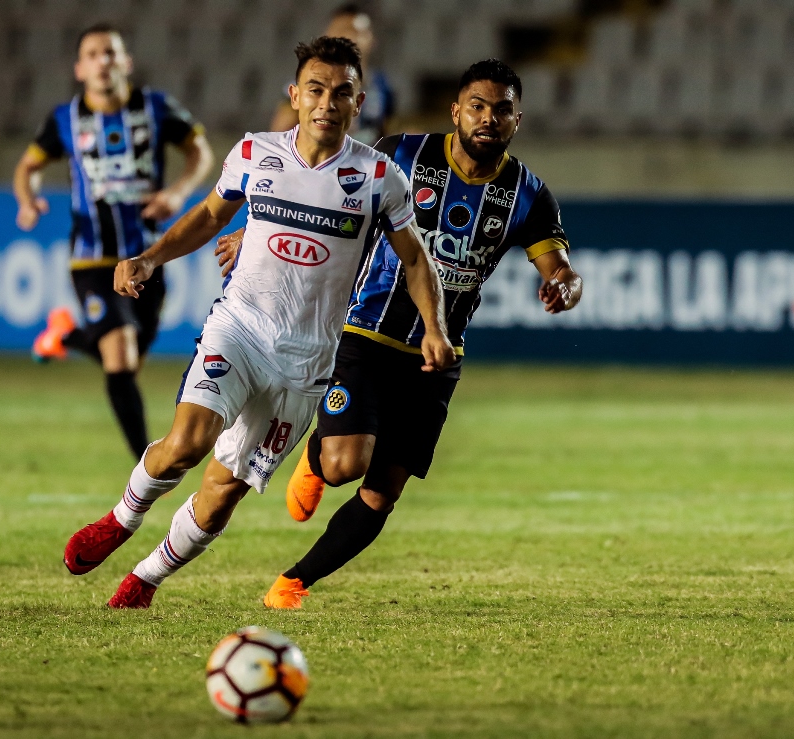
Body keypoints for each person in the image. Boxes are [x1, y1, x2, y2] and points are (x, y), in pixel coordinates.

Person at [62, 36, 456, 609]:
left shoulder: (377, 178)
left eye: (341, 93)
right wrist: (151, 257)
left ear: (358, 102)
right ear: (295, 96)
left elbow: (414, 256)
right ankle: (122, 519)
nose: (327, 103)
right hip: (239, 329)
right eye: (315, 90)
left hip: (307, 363)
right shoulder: (253, 154)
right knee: (186, 445)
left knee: (221, 495)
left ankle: (145, 577)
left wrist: (435, 328)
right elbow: (208, 216)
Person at [221, 59, 584, 609]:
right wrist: (253, 225)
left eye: (502, 110)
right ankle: (318, 454)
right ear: (456, 110)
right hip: (364, 333)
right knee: (346, 466)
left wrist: (566, 284)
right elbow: (317, 190)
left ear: (517, 120)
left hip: (438, 355)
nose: (489, 118)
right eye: (478, 107)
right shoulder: (399, 154)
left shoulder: (529, 195)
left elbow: (558, 267)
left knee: (382, 492)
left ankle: (292, 582)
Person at [13, 23, 214, 461]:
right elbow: (26, 167)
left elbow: (201, 150)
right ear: (79, 68)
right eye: (93, 54)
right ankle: (145, 465)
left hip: (146, 255)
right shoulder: (64, 119)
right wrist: (27, 201)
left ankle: (66, 335)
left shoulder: (155, 107)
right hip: (92, 258)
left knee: (128, 359)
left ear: (126, 63)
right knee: (120, 358)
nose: (103, 61)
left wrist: (177, 193)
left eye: (111, 53)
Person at [270, 3, 394, 144]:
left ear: (372, 39)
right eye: (343, 30)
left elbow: (384, 132)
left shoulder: (381, 85)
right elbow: (280, 135)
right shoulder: (306, 83)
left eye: (357, 31)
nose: (350, 37)